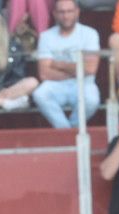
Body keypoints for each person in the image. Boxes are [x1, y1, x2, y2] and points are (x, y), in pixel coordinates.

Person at [32, 0, 101, 129]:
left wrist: (59, 64)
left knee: (92, 100)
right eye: (62, 12)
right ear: (54, 14)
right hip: (57, 84)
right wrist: (76, 69)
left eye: (69, 11)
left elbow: (90, 69)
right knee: (40, 94)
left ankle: (71, 128)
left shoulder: (90, 34)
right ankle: (65, 129)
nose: (66, 16)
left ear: (77, 12)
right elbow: (44, 73)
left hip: (83, 83)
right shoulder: (46, 36)